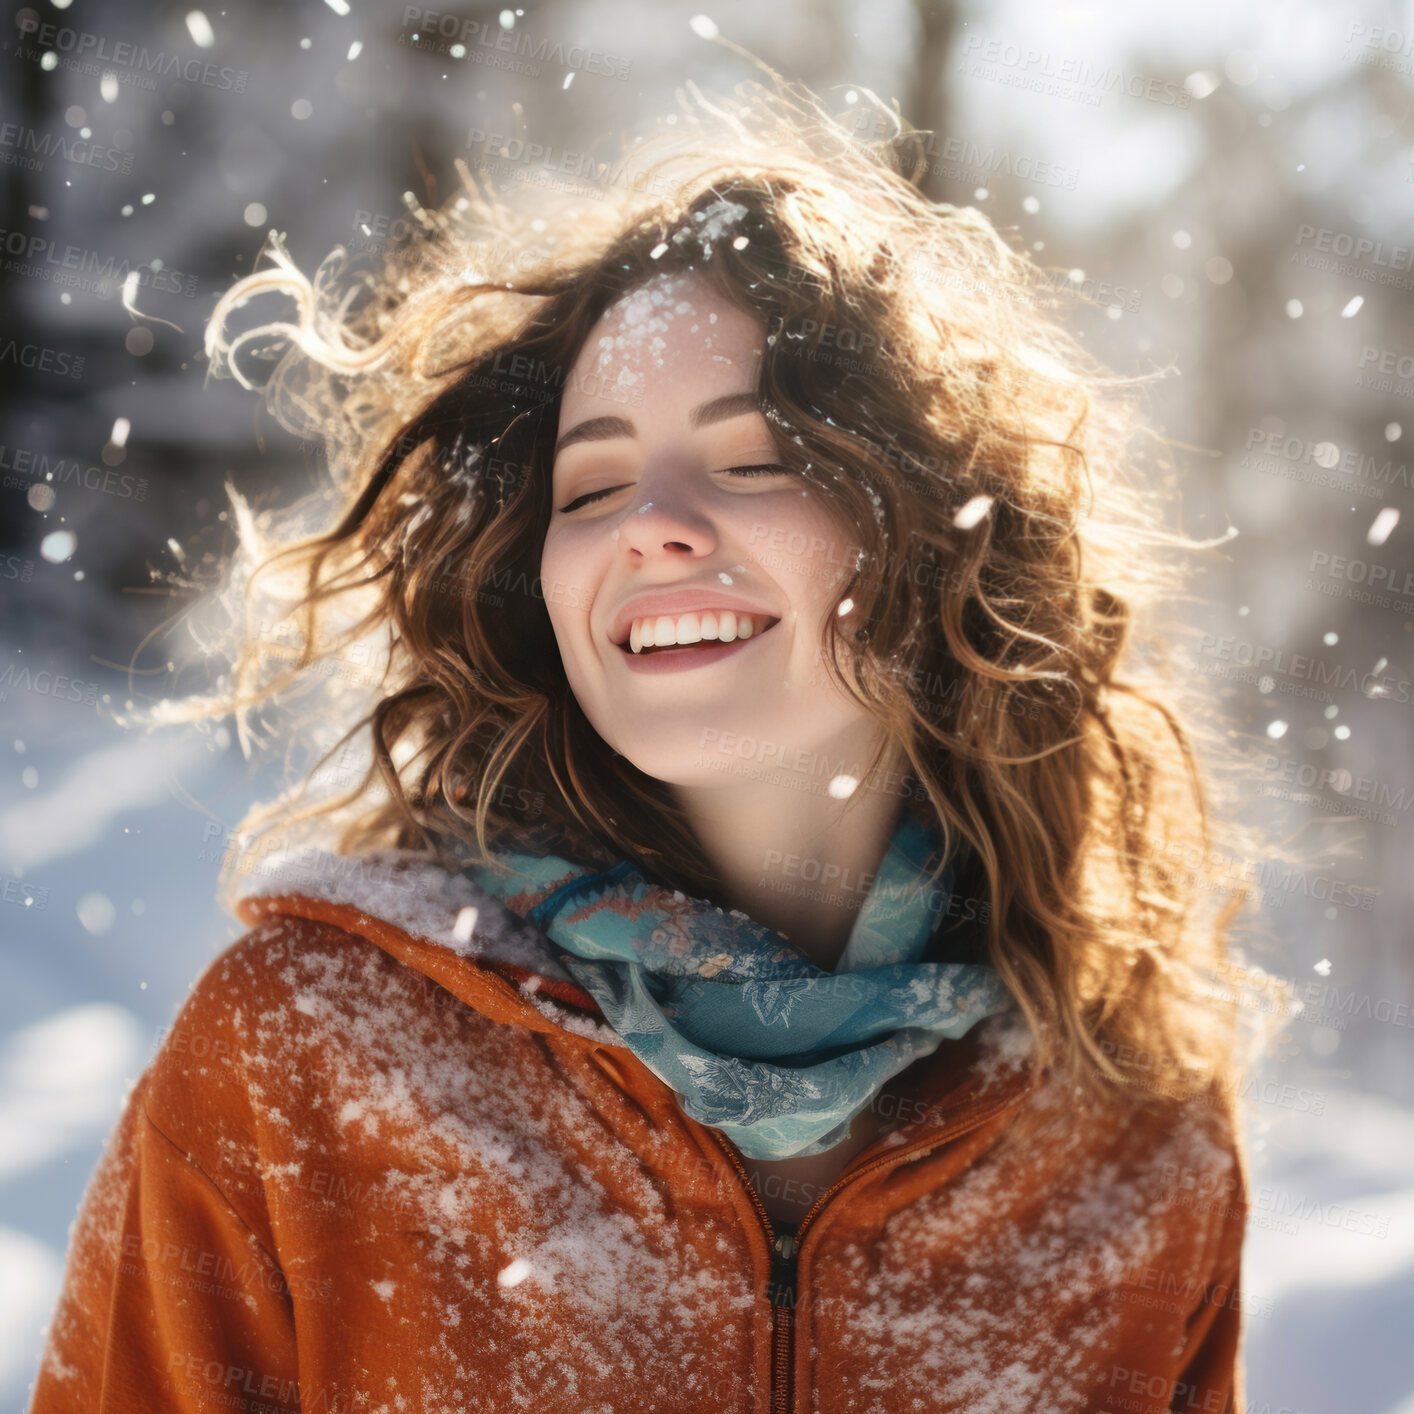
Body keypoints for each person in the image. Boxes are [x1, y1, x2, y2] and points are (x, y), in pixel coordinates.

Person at [29, 82, 1266, 1413]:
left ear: (937, 546)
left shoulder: (1134, 1140)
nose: (652, 524)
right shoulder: (300, 1058)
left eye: (751, 460)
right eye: (593, 483)